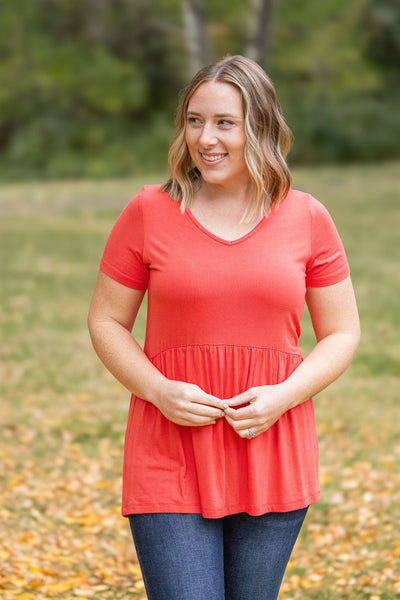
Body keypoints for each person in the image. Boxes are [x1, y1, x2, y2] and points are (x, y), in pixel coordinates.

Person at [88, 55, 360, 600]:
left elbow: (342, 333)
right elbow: (106, 320)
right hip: (170, 446)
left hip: (270, 446)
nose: (204, 138)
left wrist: (283, 397)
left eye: (223, 123)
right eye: (194, 120)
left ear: (258, 127)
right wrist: (157, 389)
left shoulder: (307, 217)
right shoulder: (148, 211)